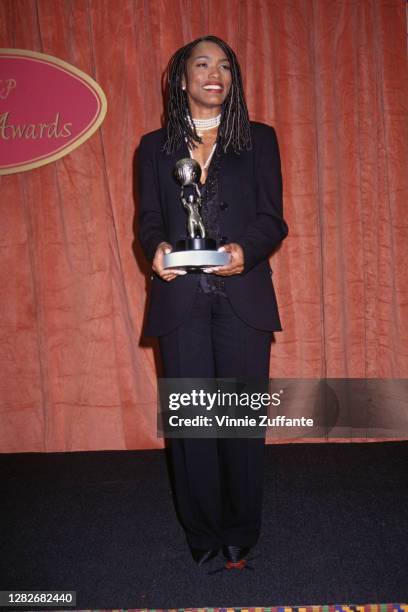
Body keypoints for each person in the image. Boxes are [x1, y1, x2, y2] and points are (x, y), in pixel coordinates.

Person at [137, 35, 288, 568]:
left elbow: (273, 218)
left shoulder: (261, 141)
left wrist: (245, 251)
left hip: (243, 296)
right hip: (180, 299)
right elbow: (150, 220)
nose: (214, 73)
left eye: (225, 66)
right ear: (182, 79)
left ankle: (241, 529)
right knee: (194, 425)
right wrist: (155, 248)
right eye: (202, 64)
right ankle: (202, 531)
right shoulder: (153, 147)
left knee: (240, 424)